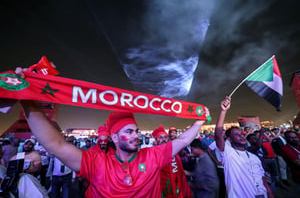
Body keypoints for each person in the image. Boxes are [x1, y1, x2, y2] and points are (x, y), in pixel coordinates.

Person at [15, 67, 207, 197]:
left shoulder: (153, 155)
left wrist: (199, 121)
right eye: (129, 132)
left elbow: (182, 140)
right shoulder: (97, 162)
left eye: (136, 131)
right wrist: (26, 98)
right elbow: (55, 145)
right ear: (114, 137)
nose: (136, 135)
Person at [214, 96, 273, 198]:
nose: (241, 136)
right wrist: (223, 111)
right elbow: (218, 134)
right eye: (237, 135)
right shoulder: (228, 154)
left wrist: (270, 194)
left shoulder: (254, 157)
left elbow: (262, 179)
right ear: (230, 139)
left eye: (242, 134)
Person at [152, 125, 193, 198]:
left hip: (176, 188)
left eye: (165, 137)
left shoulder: (174, 152)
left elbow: (180, 172)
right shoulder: (152, 155)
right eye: (160, 137)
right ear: (155, 141)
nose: (164, 139)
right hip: (161, 190)